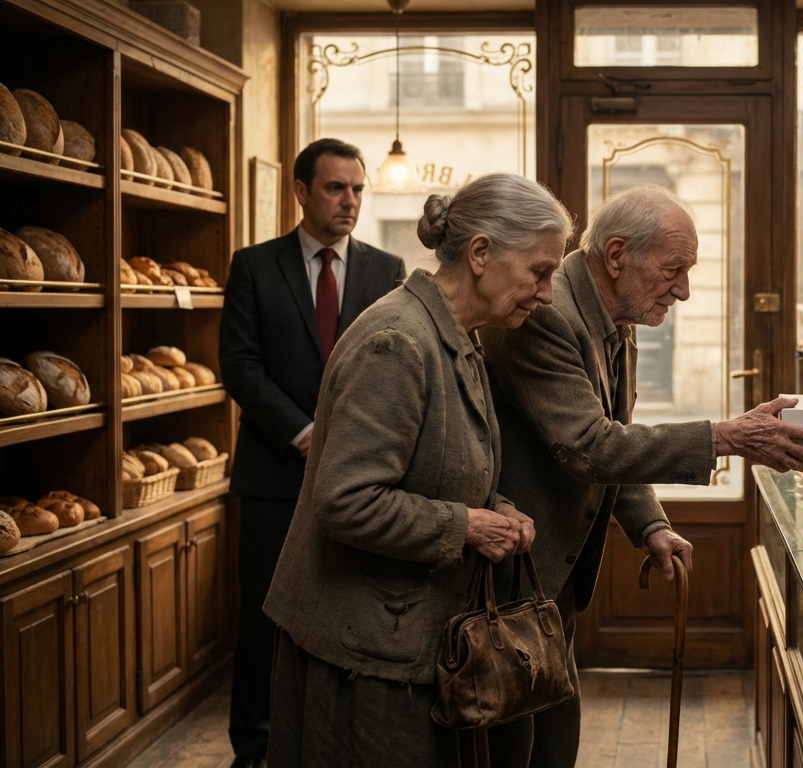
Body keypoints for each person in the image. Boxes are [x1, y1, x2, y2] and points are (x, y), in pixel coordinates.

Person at [480, 185, 803, 766]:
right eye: (674, 269)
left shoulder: (617, 313)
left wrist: (649, 526)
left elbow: (616, 435)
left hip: (547, 577)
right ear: (617, 257)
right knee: (516, 744)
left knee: (555, 732)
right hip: (511, 571)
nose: (685, 290)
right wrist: (727, 436)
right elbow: (591, 447)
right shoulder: (548, 316)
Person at [261, 173, 571, 766]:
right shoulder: (398, 343)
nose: (548, 293)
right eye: (539, 271)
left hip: (409, 641)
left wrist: (495, 507)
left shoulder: (456, 335)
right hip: (362, 657)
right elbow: (346, 501)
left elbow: (436, 468)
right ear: (480, 253)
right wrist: (469, 527)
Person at [218, 138, 407, 768]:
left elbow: (395, 372)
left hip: (362, 479)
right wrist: (302, 433)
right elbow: (240, 368)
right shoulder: (254, 265)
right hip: (275, 473)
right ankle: (254, 750)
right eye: (335, 188)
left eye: (357, 188)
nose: (350, 200)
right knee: (263, 620)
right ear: (301, 192)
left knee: (345, 611)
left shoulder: (388, 272)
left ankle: (330, 744)